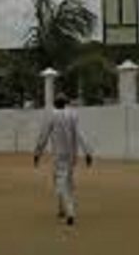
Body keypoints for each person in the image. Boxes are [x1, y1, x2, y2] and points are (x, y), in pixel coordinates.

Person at [34, 93, 93, 226]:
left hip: (59, 156)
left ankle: (70, 212)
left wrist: (37, 153)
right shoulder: (73, 115)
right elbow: (80, 134)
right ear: (66, 103)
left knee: (61, 183)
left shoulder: (52, 116)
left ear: (55, 103)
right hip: (72, 155)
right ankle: (61, 209)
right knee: (66, 181)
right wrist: (88, 152)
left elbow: (43, 136)